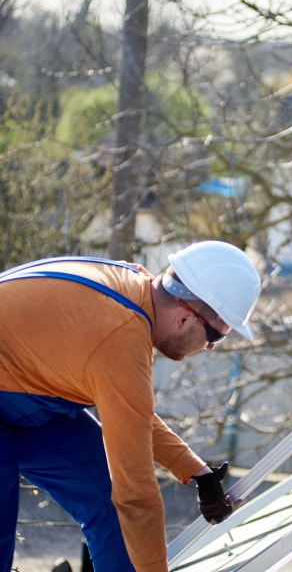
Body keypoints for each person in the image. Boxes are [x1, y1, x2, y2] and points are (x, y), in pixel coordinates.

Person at [0, 241, 263, 572]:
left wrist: (198, 472)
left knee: (107, 504)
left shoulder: (135, 289)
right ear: (184, 318)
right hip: (14, 396)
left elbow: (131, 411)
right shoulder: (121, 336)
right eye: (215, 335)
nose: (210, 347)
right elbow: (136, 494)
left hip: (25, 398)